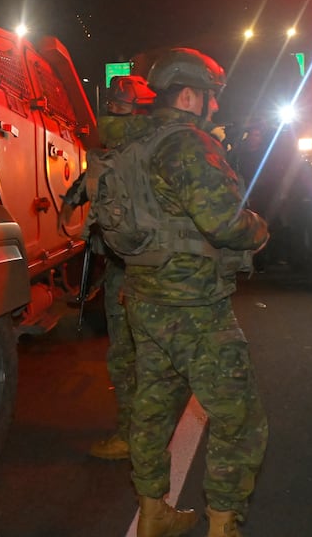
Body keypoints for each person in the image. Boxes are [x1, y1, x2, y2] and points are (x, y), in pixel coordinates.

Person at [117, 48, 270, 537]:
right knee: (238, 418)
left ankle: (153, 514)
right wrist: (260, 228)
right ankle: (223, 526)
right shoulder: (188, 145)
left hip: (143, 298)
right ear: (189, 95)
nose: (215, 108)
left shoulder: (133, 142)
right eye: (211, 98)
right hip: (194, 306)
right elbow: (224, 221)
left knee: (152, 408)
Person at [59, 74, 157, 460]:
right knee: (136, 356)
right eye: (111, 108)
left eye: (120, 109)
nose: (111, 116)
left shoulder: (142, 156)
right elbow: (84, 188)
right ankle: (141, 434)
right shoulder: (124, 153)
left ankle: (135, 438)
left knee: (131, 357)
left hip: (136, 270)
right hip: (126, 267)